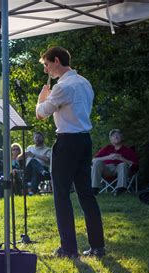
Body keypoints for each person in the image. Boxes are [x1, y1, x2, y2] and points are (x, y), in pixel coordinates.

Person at [36, 46, 105, 257]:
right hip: (85, 140)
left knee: (61, 195)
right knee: (86, 194)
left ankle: (68, 248)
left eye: (47, 65)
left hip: (67, 143)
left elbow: (41, 114)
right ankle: (97, 246)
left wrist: (42, 97)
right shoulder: (85, 82)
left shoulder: (62, 87)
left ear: (57, 61)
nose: (46, 70)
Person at [91, 129, 139, 195]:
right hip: (107, 169)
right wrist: (109, 157)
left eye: (117, 135)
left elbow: (135, 165)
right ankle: (94, 188)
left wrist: (122, 158)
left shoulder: (128, 150)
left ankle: (120, 189)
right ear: (111, 140)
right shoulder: (107, 148)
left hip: (122, 170)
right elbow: (93, 160)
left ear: (122, 137)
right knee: (97, 162)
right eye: (113, 136)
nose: (115, 137)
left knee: (123, 164)